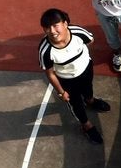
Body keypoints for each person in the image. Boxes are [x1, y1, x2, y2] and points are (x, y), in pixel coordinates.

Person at [38, 8, 110, 145]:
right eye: (47, 27)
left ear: (65, 24)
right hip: (67, 81)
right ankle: (86, 125)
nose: (52, 31)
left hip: (86, 69)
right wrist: (61, 92)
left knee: (88, 89)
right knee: (76, 104)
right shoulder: (45, 50)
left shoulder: (77, 32)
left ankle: (90, 101)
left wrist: (81, 58)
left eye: (55, 25)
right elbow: (50, 73)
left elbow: (90, 40)